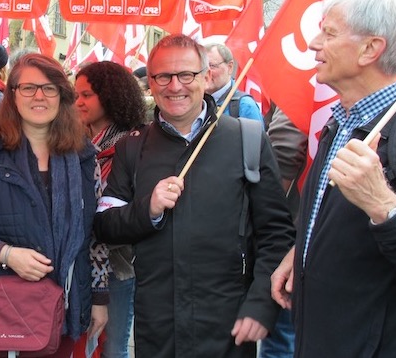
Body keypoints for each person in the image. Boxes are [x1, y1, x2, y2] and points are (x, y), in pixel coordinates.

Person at [93, 34, 294, 358]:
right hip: (157, 325)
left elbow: (276, 234)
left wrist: (260, 305)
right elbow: (104, 225)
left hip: (228, 323)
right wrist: (149, 210)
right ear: (151, 83)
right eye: (163, 76)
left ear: (205, 76)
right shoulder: (132, 147)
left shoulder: (247, 139)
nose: (175, 86)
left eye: (186, 75)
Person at [270, 0, 396, 357]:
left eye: (329, 33)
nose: (313, 43)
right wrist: (302, 251)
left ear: (370, 49)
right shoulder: (340, 122)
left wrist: (383, 205)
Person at [0, 53, 109, 357]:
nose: (39, 96)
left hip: (66, 303)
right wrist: (5, 253)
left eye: (49, 88)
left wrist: (99, 298)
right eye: (28, 88)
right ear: (13, 95)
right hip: (2, 305)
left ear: (62, 96)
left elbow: (95, 235)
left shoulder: (85, 158)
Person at [74, 61, 145, 358]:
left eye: (87, 95)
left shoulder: (134, 145)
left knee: (113, 347)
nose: (78, 102)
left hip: (117, 263)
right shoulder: (78, 141)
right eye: (76, 95)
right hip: (79, 260)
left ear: (110, 95)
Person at [257, 104, 307, 358]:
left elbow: (285, 152)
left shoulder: (305, 95)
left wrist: (264, 209)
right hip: (306, 232)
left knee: (282, 336)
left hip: (293, 231)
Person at [204, 43, 263, 124]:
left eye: (212, 66)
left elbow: (256, 136)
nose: (206, 73)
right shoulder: (195, 102)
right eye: (202, 67)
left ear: (230, 67)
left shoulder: (245, 106)